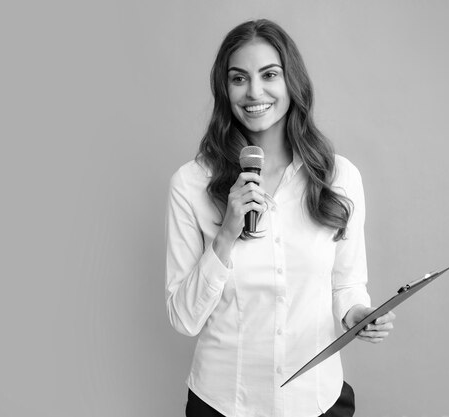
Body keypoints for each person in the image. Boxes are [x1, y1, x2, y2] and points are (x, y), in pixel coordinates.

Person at [165, 19, 396, 417]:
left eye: (269, 74)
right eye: (239, 78)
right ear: (225, 90)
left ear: (292, 82)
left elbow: (347, 283)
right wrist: (226, 236)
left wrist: (358, 315)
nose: (254, 91)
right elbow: (184, 319)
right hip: (224, 403)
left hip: (317, 400)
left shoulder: (339, 178)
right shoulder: (190, 184)